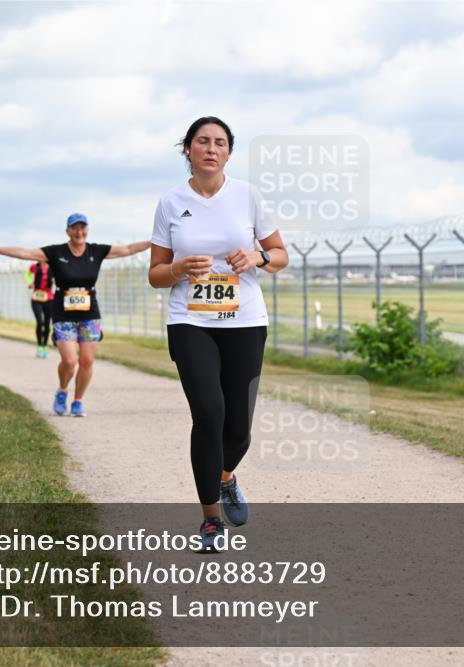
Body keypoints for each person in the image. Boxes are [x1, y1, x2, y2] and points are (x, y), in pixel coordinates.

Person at [148, 116, 288, 551]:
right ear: (186, 149)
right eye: (202, 141)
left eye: (220, 143)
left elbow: (282, 255)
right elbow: (155, 274)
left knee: (239, 430)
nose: (211, 148)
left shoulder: (248, 196)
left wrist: (258, 257)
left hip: (245, 321)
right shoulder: (170, 203)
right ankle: (210, 520)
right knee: (209, 414)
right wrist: (177, 269)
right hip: (190, 322)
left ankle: (225, 476)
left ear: (229, 152)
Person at [0, 214, 150, 417]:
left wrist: (154, 243)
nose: (79, 232)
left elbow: (127, 249)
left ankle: (77, 401)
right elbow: (25, 253)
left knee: (86, 361)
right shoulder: (56, 252)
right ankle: (62, 390)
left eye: (83, 228)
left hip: (89, 314)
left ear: (87, 229)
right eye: (74, 228)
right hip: (63, 314)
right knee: (69, 361)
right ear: (67, 231)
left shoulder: (96, 251)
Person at [27, 260, 55, 358]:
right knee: (40, 321)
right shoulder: (34, 266)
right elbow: (27, 274)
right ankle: (39, 346)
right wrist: (29, 283)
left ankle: (45, 345)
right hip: (36, 298)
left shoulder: (53, 267)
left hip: (49, 299)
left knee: (47, 323)